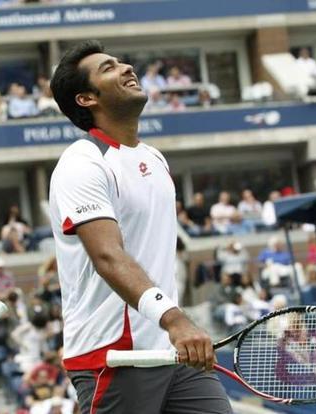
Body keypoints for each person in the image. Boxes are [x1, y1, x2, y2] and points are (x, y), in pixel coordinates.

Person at [49, 40, 231, 413]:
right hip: (115, 353)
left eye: (121, 62)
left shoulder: (154, 158)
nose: (126, 68)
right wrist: (175, 318)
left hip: (171, 348)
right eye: (108, 68)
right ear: (87, 98)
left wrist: (173, 325)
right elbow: (108, 255)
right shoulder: (81, 163)